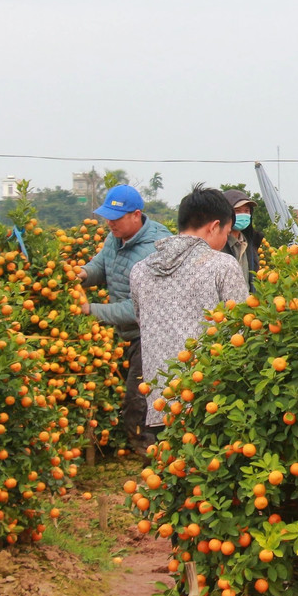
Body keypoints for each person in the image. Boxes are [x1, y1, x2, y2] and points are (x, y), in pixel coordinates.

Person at [131, 186, 249, 445]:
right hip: (210, 402)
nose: (225, 240)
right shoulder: (221, 266)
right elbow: (242, 330)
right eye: (227, 232)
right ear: (214, 226)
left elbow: (142, 322)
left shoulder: (140, 271)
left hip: (162, 402)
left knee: (170, 473)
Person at [76, 184, 172, 451]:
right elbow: (101, 265)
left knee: (139, 395)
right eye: (107, 217)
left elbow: (141, 307)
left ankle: (146, 447)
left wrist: (92, 310)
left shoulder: (155, 249)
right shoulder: (114, 238)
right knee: (138, 390)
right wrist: (82, 273)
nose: (110, 223)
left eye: (115, 218)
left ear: (136, 215)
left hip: (152, 334)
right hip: (128, 332)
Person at [221, 188, 264, 293]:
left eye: (246, 211)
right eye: (237, 211)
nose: (243, 215)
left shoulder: (250, 242)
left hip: (246, 306)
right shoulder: (218, 245)